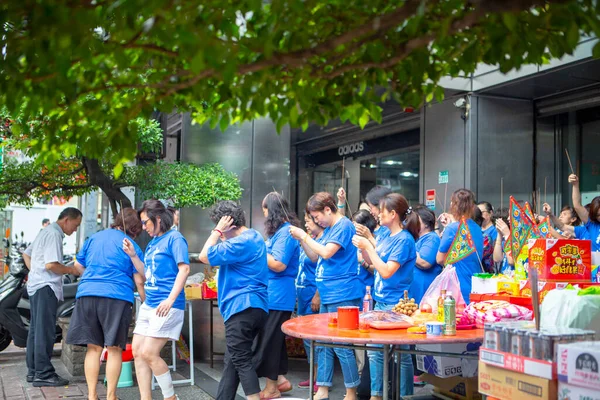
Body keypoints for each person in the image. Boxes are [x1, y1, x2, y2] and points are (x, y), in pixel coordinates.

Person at [67, 208, 145, 400]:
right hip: (117, 297)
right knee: (114, 348)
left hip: (87, 294)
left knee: (93, 348)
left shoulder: (94, 238)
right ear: (135, 229)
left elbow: (78, 266)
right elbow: (139, 278)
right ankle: (111, 396)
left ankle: (92, 396)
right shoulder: (131, 245)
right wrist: (145, 300)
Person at [289, 192, 361, 400]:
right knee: (323, 343)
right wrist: (302, 239)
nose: (315, 221)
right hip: (329, 293)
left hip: (343, 293)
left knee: (341, 345)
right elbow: (314, 256)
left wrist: (304, 236)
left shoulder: (344, 225)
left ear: (327, 210)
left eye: (316, 216)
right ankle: (322, 388)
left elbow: (327, 252)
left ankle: (351, 391)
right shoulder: (329, 228)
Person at [199, 201, 269, 400]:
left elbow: (205, 256)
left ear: (228, 224)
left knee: (241, 359)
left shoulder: (240, 242)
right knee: (233, 360)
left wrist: (216, 231)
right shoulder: (254, 236)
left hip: (242, 307)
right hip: (255, 306)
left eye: (222, 227)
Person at [353, 193, 418, 398]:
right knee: (374, 352)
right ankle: (376, 394)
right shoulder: (382, 235)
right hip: (380, 301)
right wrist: (364, 247)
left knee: (402, 355)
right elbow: (373, 264)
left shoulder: (404, 240)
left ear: (393, 213)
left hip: (397, 305)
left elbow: (387, 271)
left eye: (381, 211)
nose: (377, 215)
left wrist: (368, 248)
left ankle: (404, 395)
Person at [130, 200, 190, 400]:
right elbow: (147, 273)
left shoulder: (175, 238)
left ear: (157, 219)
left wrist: (170, 300)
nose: (143, 227)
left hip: (167, 304)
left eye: (145, 222)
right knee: (138, 352)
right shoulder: (153, 242)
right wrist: (132, 256)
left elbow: (184, 269)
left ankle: (170, 397)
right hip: (150, 304)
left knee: (148, 353)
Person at [22, 207, 82, 387]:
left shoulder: (45, 232)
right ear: (66, 220)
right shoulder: (54, 234)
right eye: (76, 225)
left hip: (36, 285)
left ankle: (34, 371)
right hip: (45, 287)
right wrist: (73, 270)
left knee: (36, 330)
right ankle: (44, 373)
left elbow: (27, 254)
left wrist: (35, 272)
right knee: (45, 331)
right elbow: (51, 265)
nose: (75, 230)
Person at [252, 192, 299, 398]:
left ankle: (271, 389)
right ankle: (281, 380)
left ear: (271, 211)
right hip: (271, 294)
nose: (263, 215)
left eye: (264, 210)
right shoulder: (277, 233)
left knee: (269, 342)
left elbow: (279, 264)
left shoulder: (286, 232)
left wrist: (259, 248)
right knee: (274, 341)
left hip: (279, 295)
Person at [436, 189, 484, 304]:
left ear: (453, 205)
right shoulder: (477, 228)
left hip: (457, 287)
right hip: (475, 285)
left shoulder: (452, 229)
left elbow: (439, 259)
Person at [295, 213, 323, 391]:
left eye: (308, 221)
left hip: (313, 293)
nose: (306, 224)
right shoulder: (310, 239)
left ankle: (320, 379)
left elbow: (323, 268)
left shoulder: (322, 241)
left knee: (315, 338)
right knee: (306, 339)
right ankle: (313, 376)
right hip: (303, 294)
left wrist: (317, 295)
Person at [410, 205, 443, 304]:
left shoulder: (432, 238)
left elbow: (425, 262)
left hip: (425, 290)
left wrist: (407, 248)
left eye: (416, 219)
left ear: (426, 224)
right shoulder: (416, 238)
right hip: (415, 289)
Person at [351, 209, 377, 298]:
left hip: (369, 291)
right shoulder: (354, 241)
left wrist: (362, 261)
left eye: (355, 225)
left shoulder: (375, 242)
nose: (352, 227)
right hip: (354, 291)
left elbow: (378, 270)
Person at [477, 202, 497, 273]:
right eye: (478, 213)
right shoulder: (475, 230)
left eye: (482, 212)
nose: (479, 215)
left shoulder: (496, 231)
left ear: (490, 213)